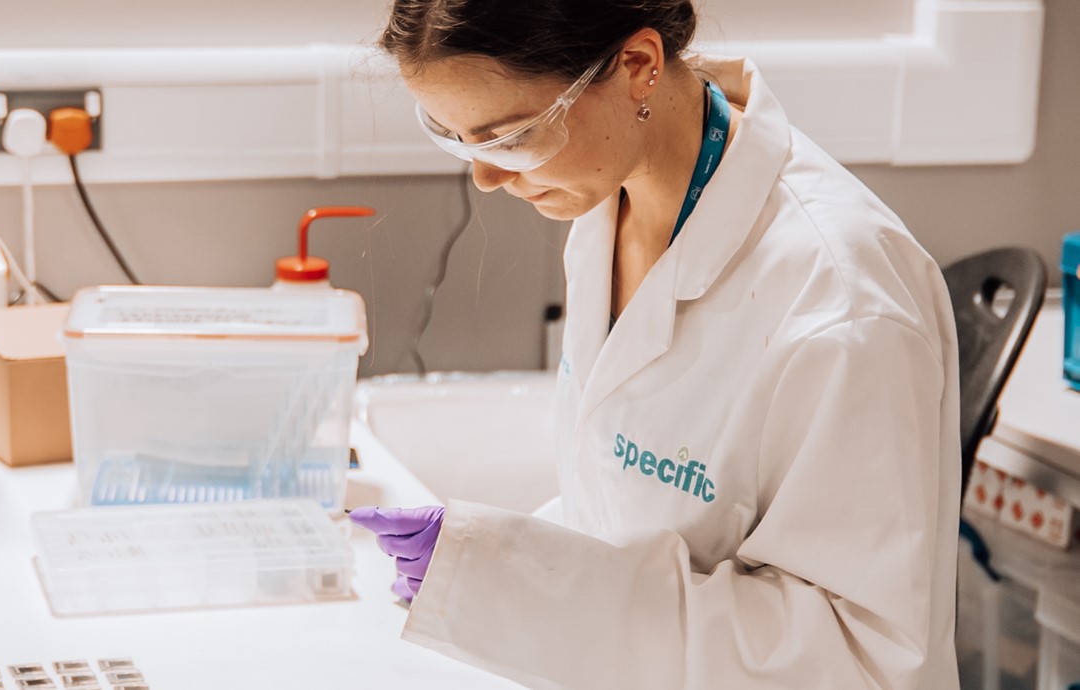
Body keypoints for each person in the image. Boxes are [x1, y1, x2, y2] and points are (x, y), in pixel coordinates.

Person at [349, 0, 962, 688]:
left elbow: (858, 659)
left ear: (638, 67)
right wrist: (499, 566)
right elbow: (626, 514)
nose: (484, 178)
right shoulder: (614, 203)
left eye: (511, 136)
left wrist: (515, 585)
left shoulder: (842, 303)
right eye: (452, 135)